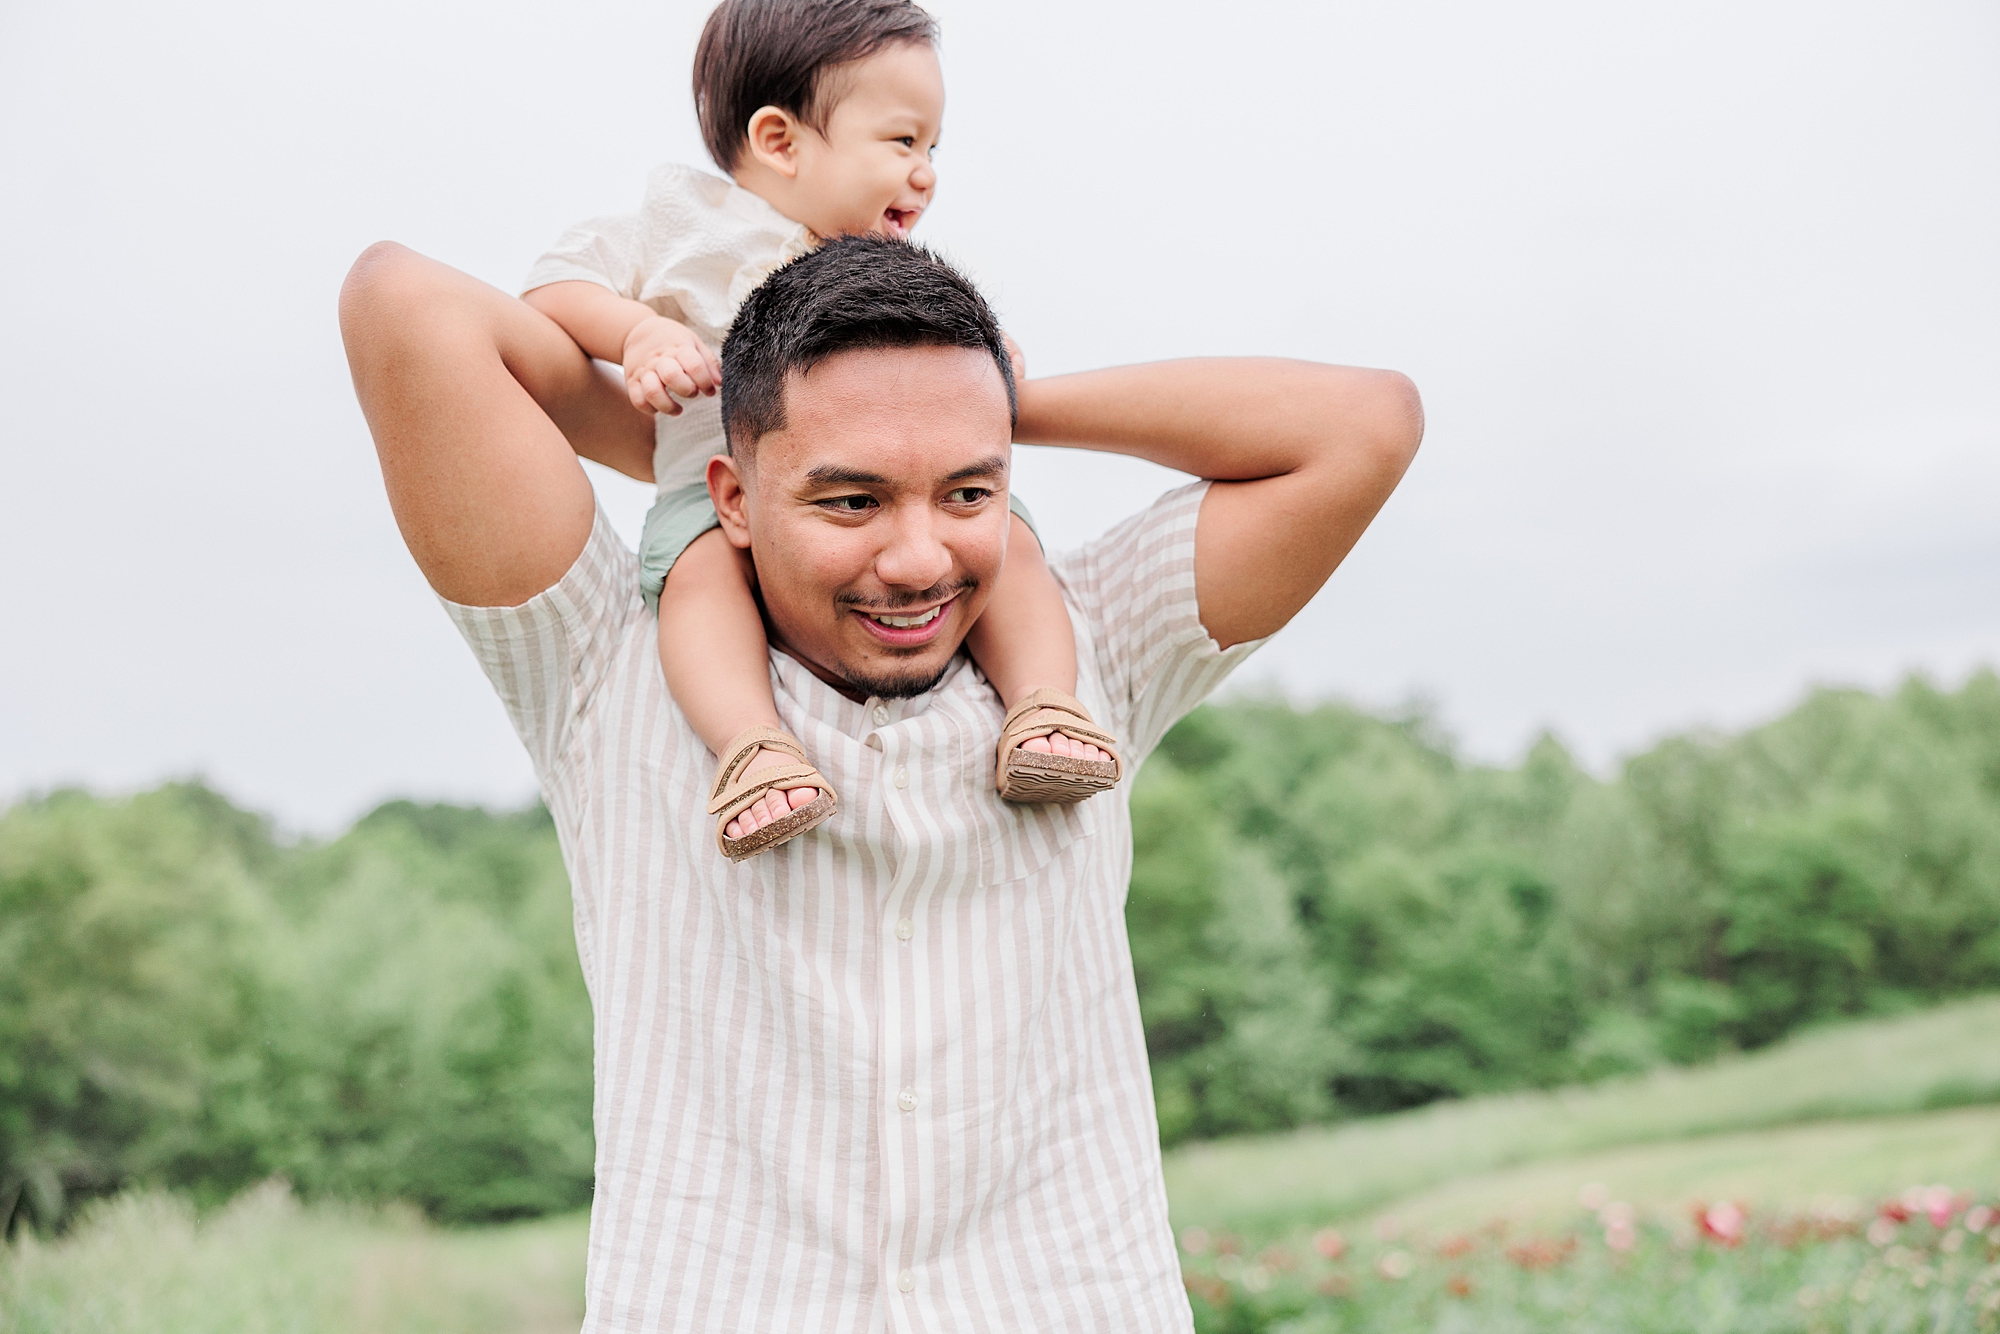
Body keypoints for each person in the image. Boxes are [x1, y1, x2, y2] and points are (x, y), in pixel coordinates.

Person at [338, 233, 1421, 1330]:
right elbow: (404, 303)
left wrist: (1002, 402)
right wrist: (662, 393)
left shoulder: (1089, 654)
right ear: (732, 498)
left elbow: (1362, 423)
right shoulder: (608, 674)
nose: (916, 558)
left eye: (965, 491)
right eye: (850, 500)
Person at [522, 0, 1111, 863]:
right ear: (781, 141)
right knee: (696, 583)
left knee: (1006, 538)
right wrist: (638, 333)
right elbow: (552, 286)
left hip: (873, 495)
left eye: (934, 147)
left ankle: (1044, 708)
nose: (926, 174)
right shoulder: (686, 221)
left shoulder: (882, 267)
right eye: (903, 142)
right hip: (708, 490)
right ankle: (752, 748)